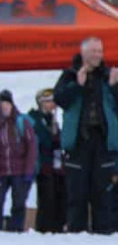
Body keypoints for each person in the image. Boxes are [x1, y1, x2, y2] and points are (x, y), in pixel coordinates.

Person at [54, 37, 118, 234]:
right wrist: (77, 86)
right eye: (94, 51)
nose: (98, 55)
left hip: (102, 140)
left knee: (102, 191)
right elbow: (60, 99)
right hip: (78, 141)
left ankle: (103, 234)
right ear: (84, 53)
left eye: (100, 51)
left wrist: (114, 85)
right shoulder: (70, 74)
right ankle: (75, 233)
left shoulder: (107, 75)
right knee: (76, 192)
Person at [29, 88, 66, 233]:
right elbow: (43, 140)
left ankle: (57, 226)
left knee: (59, 194)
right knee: (46, 197)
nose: (52, 105)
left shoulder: (53, 120)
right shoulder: (34, 119)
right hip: (42, 163)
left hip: (55, 164)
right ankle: (44, 227)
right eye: (49, 101)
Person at [0, 90, 37, 232]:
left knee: (19, 202)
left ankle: (16, 229)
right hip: (2, 170)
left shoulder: (22, 122)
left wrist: (29, 170)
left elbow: (31, 147)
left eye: (6, 103)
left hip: (19, 170)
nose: (4, 107)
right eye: (2, 104)